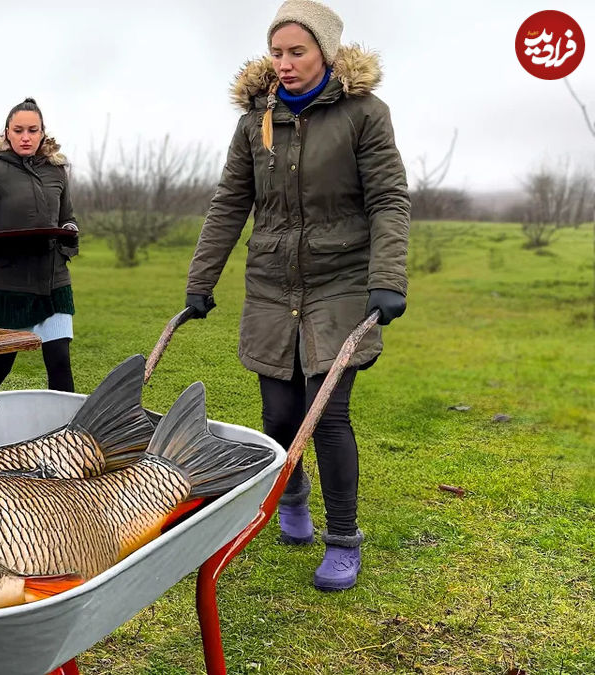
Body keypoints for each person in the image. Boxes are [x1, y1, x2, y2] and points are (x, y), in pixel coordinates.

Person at [183, 0, 409, 591]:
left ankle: (343, 540)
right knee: (280, 416)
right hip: (271, 283)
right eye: (276, 51)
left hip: (341, 282)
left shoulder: (365, 114)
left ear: (326, 54)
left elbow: (388, 198)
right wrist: (200, 281)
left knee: (328, 413)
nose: (283, 63)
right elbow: (230, 202)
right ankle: (293, 499)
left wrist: (388, 277)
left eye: (296, 51)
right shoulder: (255, 121)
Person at [0, 97, 79, 396]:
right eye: (19, 130)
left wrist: (70, 232)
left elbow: (68, 218)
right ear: (7, 132)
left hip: (53, 283)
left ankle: (67, 433)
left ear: (42, 133)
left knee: (60, 362)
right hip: (8, 287)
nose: (26, 137)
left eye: (32, 130)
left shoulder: (57, 172)